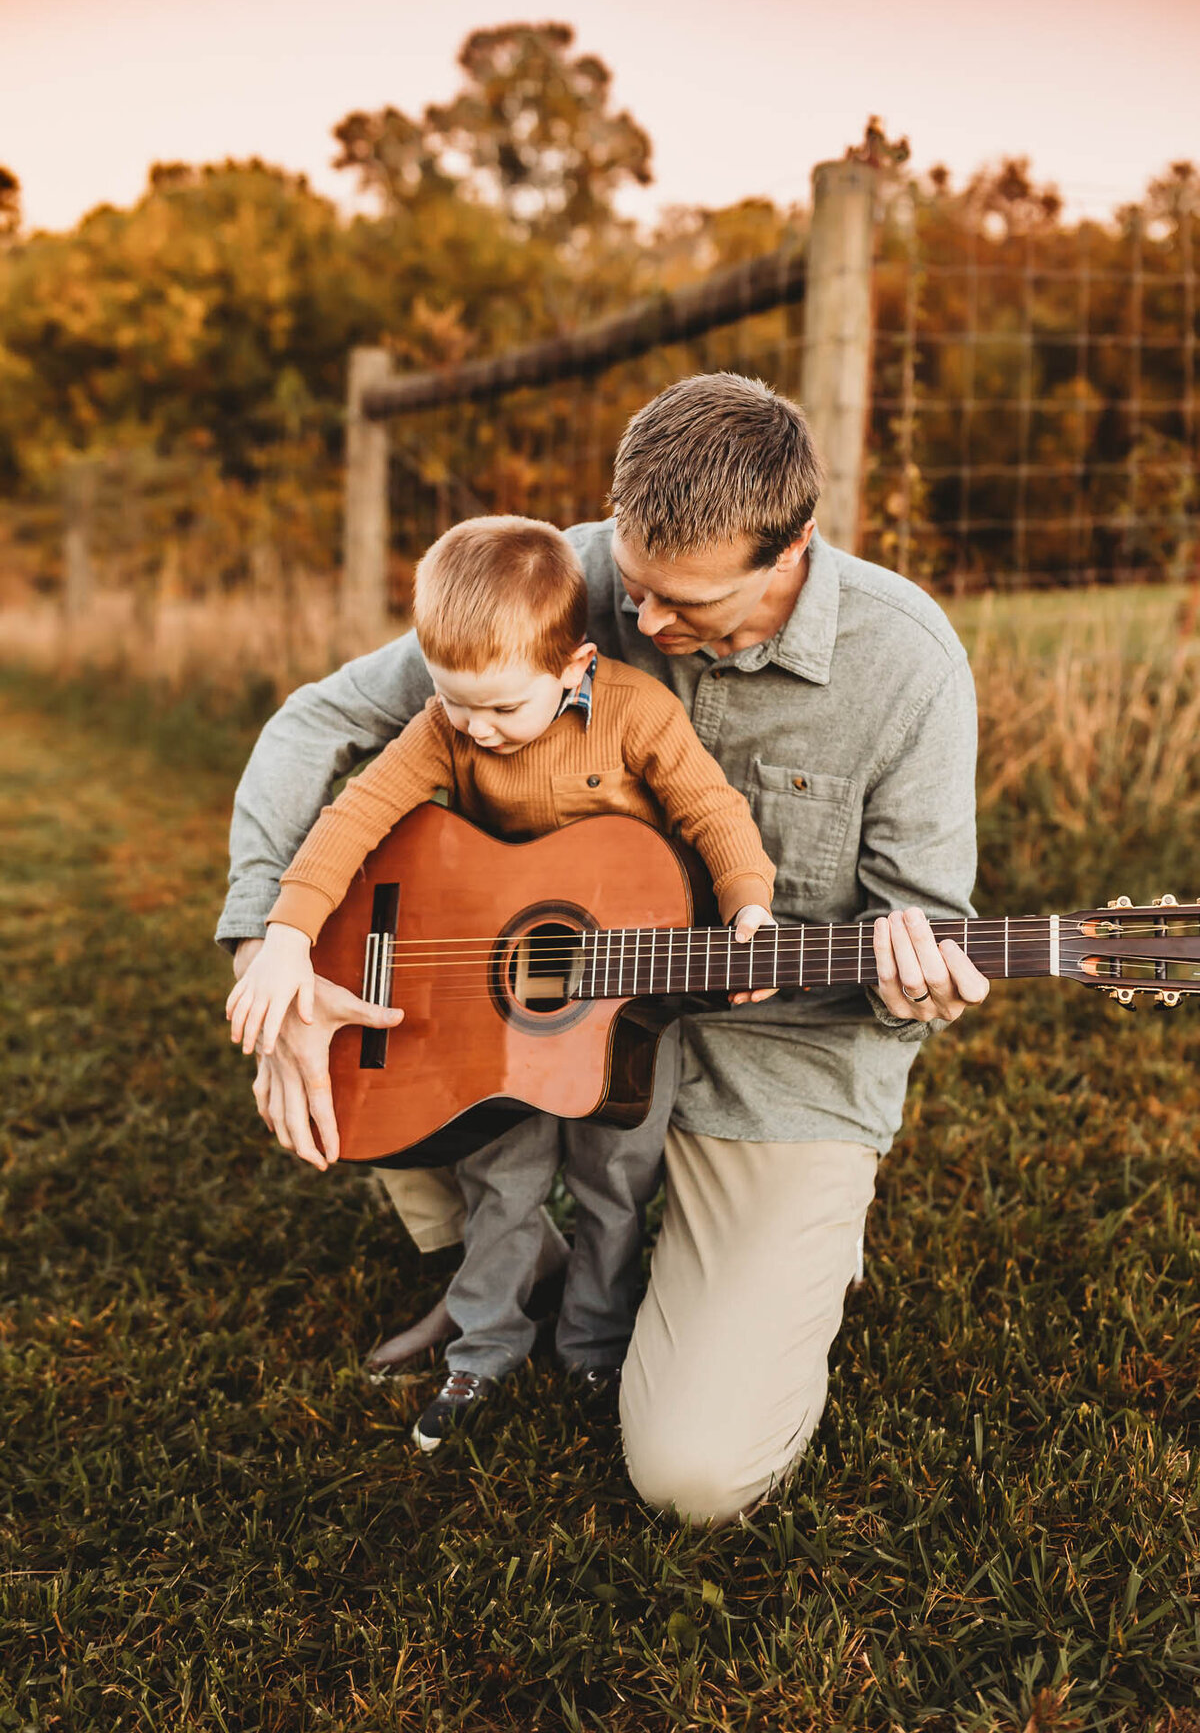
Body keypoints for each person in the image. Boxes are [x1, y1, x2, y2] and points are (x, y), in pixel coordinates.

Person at [218, 372, 989, 1523]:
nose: (649, 627)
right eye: (635, 591)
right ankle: (508, 1255)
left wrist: (919, 983)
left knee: (692, 1476)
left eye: (687, 608)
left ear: (793, 551)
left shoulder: (909, 665)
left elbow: (920, 919)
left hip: (780, 1064)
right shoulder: (565, 574)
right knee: (360, 1006)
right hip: (539, 1009)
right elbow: (319, 721)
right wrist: (258, 950)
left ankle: (730, 1256)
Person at [224, 514, 777, 1451]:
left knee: (616, 1184)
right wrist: (282, 935)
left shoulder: (640, 711)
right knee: (502, 1188)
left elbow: (713, 810)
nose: (476, 729)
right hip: (492, 1014)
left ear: (575, 666)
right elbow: (355, 815)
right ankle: (481, 1352)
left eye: (501, 710)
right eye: (454, 702)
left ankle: (595, 1343)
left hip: (627, 1001)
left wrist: (752, 908)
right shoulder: (447, 728)